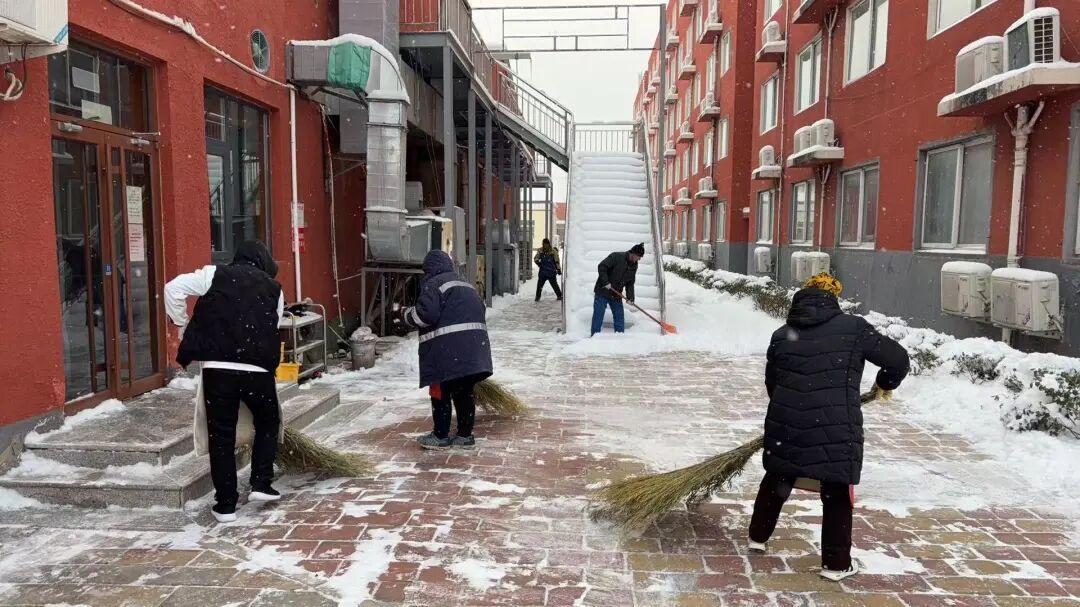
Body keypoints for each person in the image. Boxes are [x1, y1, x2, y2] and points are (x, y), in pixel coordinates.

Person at [748, 273, 909, 581]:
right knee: (835, 491)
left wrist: (794, 406)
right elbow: (898, 360)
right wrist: (884, 383)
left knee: (778, 477)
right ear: (833, 300)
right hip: (835, 427)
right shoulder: (855, 329)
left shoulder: (782, 334)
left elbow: (774, 383)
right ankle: (835, 566)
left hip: (788, 424)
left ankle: (757, 538)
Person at [164, 240, 285, 523]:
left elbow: (173, 288)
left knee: (222, 435)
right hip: (258, 370)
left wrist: (181, 324)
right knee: (268, 422)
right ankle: (261, 483)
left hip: (219, 369)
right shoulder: (274, 289)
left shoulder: (213, 274)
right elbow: (272, 325)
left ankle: (226, 505)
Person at [403, 250, 493, 450]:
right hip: (474, 352)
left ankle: (440, 435)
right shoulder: (465, 284)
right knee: (464, 393)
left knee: (440, 392)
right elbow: (479, 309)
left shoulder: (433, 284)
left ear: (429, 269)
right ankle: (464, 435)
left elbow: (425, 316)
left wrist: (406, 314)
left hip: (445, 353)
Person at [590, 243, 644, 336]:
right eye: (638, 257)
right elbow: (602, 266)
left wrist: (630, 297)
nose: (639, 259)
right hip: (603, 291)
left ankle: (620, 337)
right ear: (633, 253)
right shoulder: (616, 256)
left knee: (619, 316)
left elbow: (630, 282)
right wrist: (605, 282)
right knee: (598, 315)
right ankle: (594, 337)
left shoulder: (634, 265)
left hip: (616, 293)